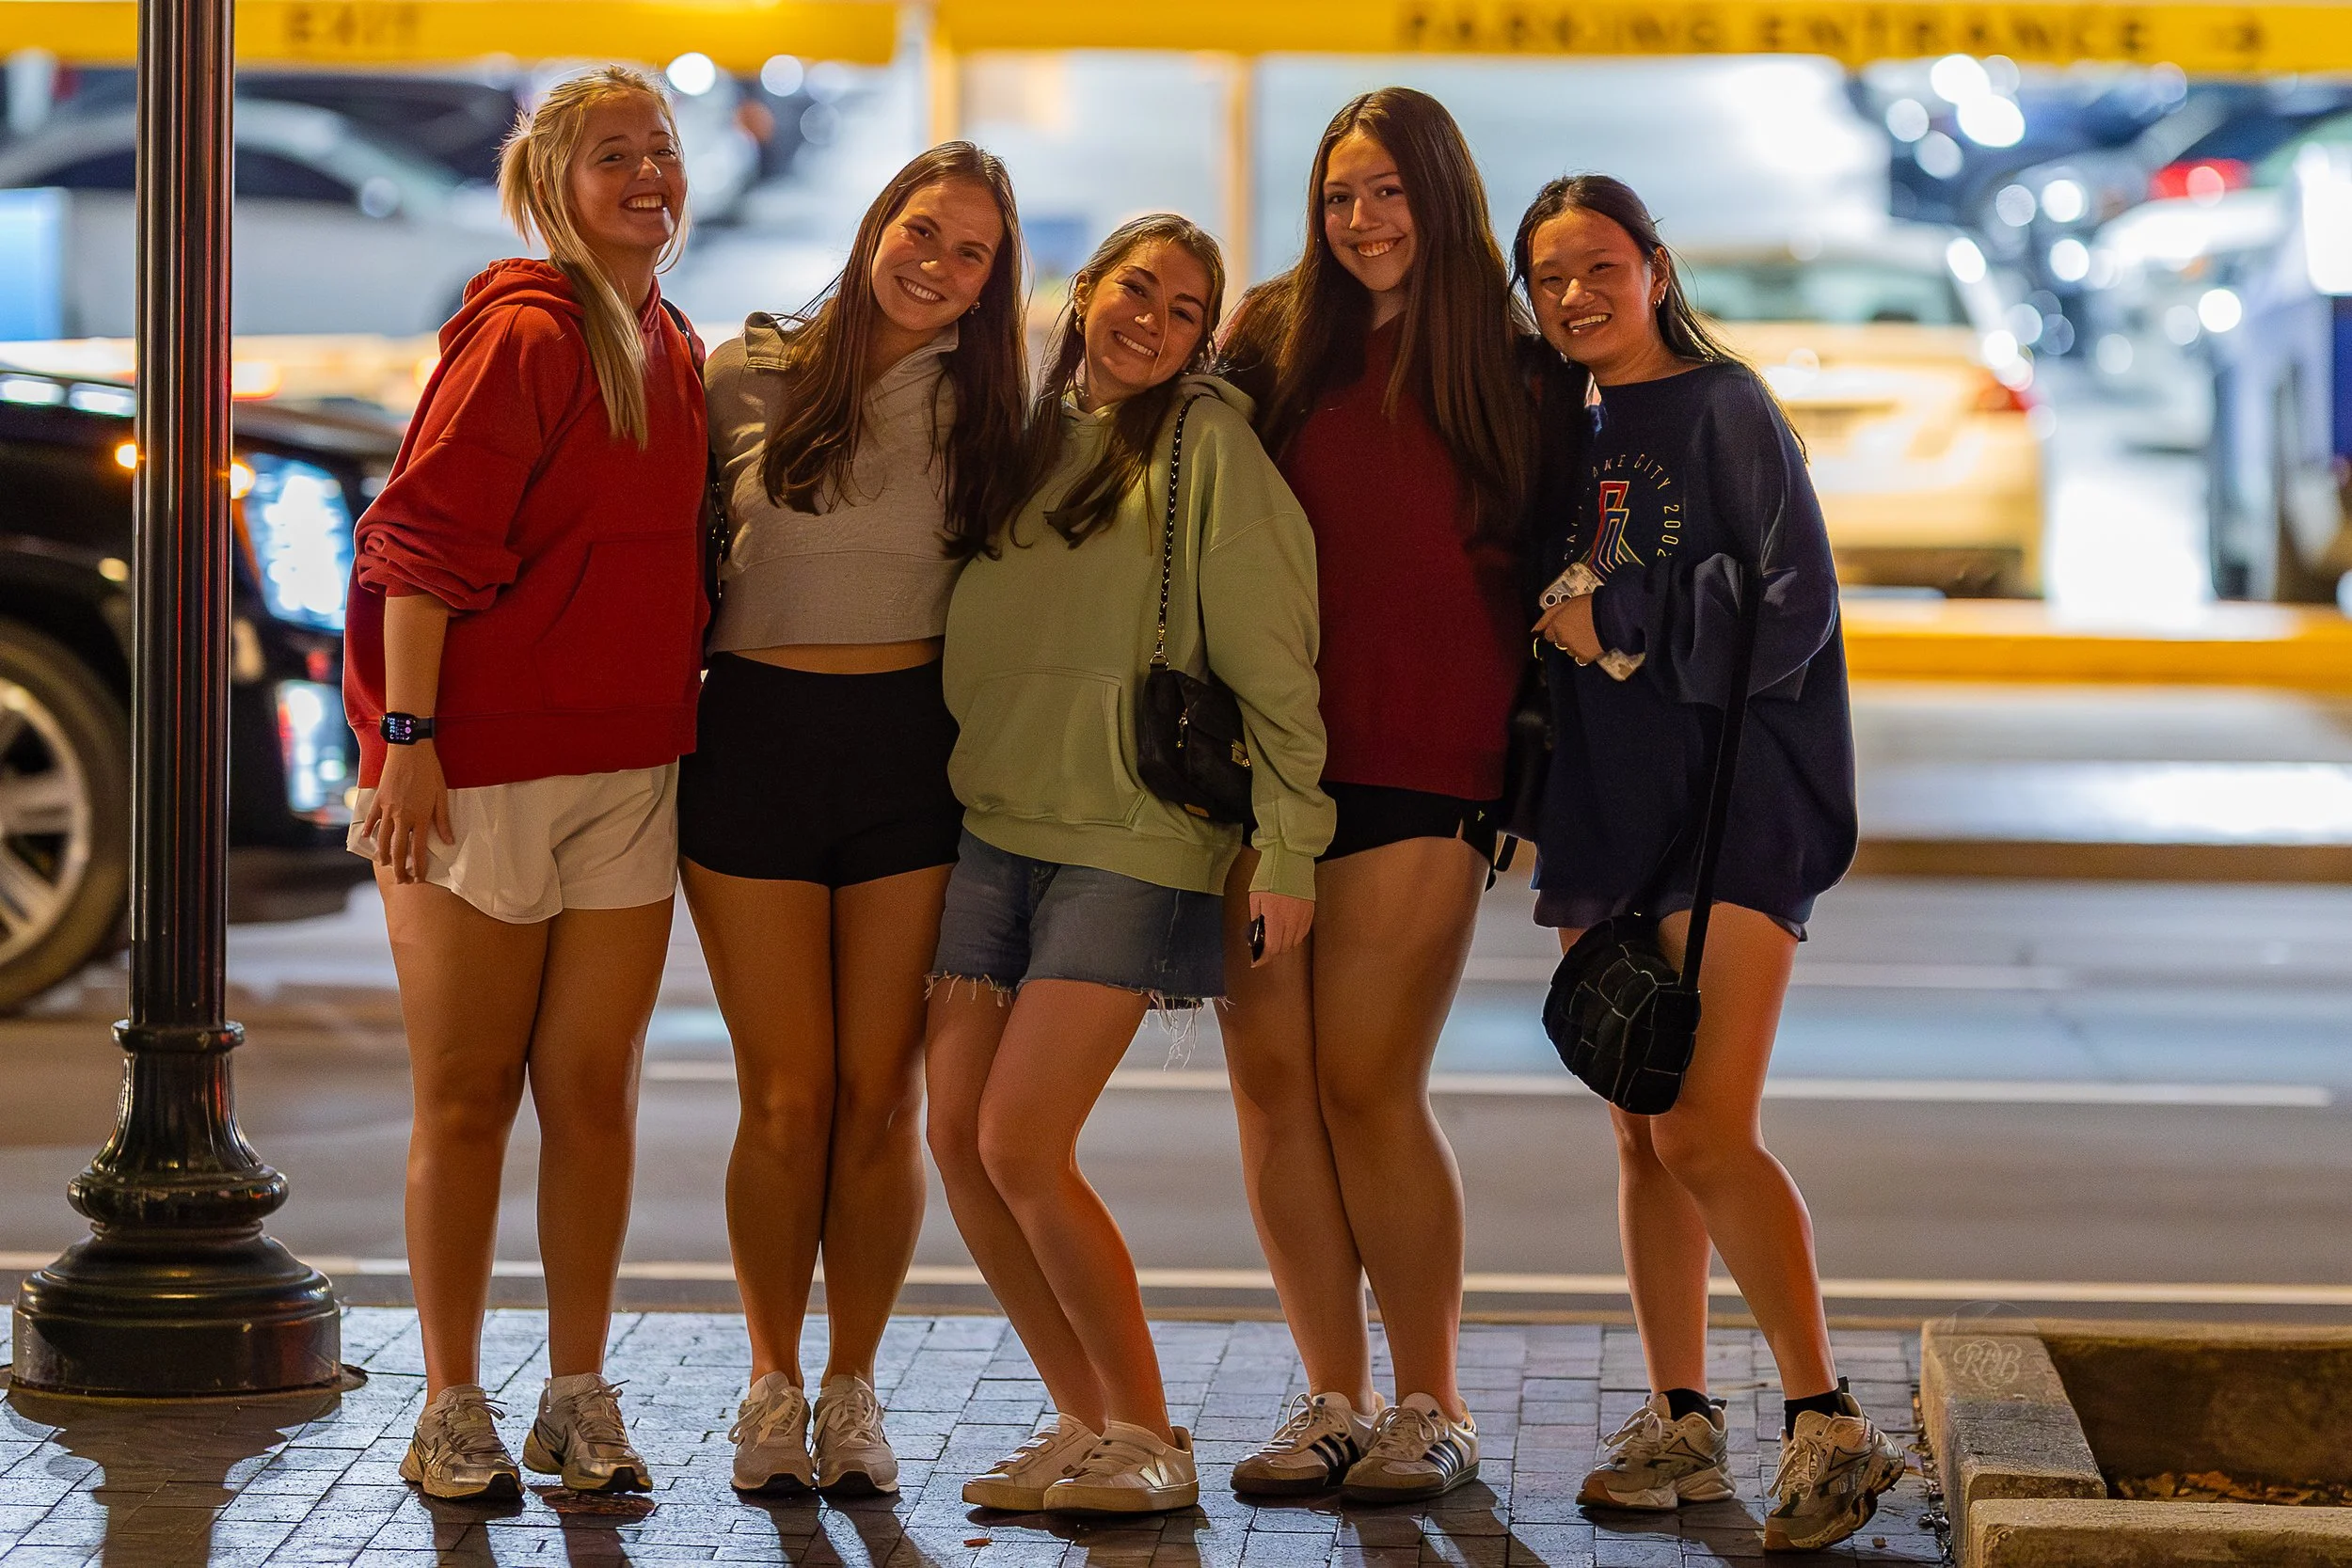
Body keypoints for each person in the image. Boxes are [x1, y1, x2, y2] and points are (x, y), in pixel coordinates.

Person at [1513, 173, 1902, 1553]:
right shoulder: (1566, 424)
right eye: (1549, 276)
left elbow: (1792, 610)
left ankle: (1827, 1417)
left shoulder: (1725, 408)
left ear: (1656, 268)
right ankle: (1681, 1413)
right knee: (1636, 1128)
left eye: (1600, 268)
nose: (1575, 296)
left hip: (1737, 805)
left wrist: (1612, 618)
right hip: (1606, 810)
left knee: (1700, 1126)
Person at [925, 214, 1331, 1516]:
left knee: (1021, 1140)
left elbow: (1276, 657)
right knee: (956, 1140)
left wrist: (1293, 845)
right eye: (1134, 290)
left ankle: (1150, 1432)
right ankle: (1087, 1416)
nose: (1149, 321)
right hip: (995, 826)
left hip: (1133, 838)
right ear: (1087, 288)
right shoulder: (1017, 438)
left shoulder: (1208, 444)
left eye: (1183, 310)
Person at [343, 66, 706, 1501]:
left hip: (630, 763)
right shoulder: (529, 334)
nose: (647, 177)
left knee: (596, 1094)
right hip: (477, 768)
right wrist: (410, 745)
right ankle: (447, 1400)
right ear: (551, 186)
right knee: (469, 1092)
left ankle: (576, 1389)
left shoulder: (665, 340)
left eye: (663, 153)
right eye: (614, 155)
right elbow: (417, 547)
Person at [679, 143, 1028, 1497]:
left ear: (994, 283)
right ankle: (771, 1383)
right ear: (876, 220)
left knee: (879, 1103)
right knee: (787, 1096)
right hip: (753, 748)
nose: (933, 264)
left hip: (913, 762)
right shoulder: (744, 372)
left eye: (969, 252)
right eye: (920, 229)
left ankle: (852, 1390)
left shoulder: (998, 408)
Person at [1214, 87, 1534, 1501]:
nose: (1364, 220)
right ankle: (1334, 1394)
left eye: (1391, 192)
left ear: (1442, 198)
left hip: (1426, 765)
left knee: (1367, 1082)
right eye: (1343, 194)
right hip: (1257, 771)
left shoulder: (1517, 371)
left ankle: (1433, 1402)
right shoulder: (1272, 339)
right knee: (1274, 1088)